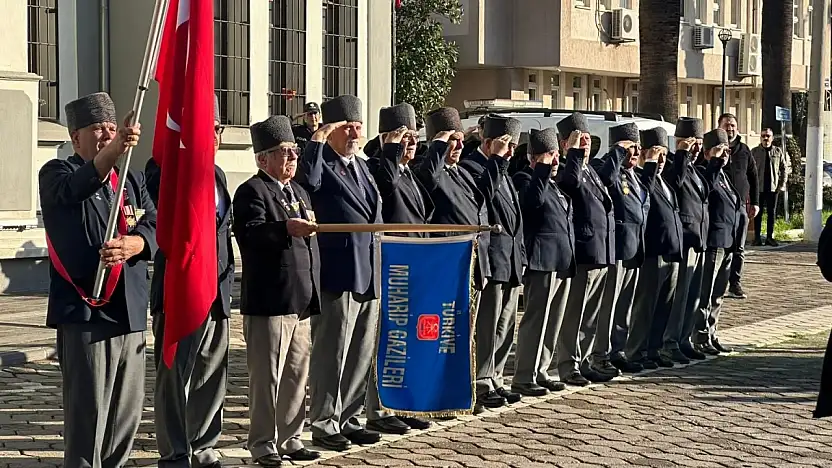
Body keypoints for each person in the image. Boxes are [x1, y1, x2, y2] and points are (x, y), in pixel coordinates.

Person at [297, 95, 422, 451]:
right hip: (338, 271)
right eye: (346, 126)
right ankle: (324, 421)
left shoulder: (363, 167)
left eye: (357, 126)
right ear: (331, 130)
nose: (353, 132)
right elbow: (309, 182)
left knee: (360, 351)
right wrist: (316, 142)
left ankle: (350, 417)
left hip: (370, 269)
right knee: (331, 352)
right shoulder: (322, 164)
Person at [39, 92, 156, 468]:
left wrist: (137, 242)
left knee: (127, 416)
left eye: (111, 128)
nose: (107, 134)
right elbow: (78, 189)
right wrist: (115, 149)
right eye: (97, 129)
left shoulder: (131, 180)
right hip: (86, 316)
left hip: (130, 312)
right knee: (88, 416)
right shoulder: (58, 173)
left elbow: (153, 222)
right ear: (76, 138)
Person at [146, 96, 234, 468]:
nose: (211, 135)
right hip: (179, 292)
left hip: (216, 291)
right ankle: (174, 449)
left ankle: (204, 443)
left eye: (215, 129)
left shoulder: (218, 174)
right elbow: (161, 201)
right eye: (203, 128)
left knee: (212, 372)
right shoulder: (162, 168)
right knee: (174, 374)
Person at [233, 115, 325, 466]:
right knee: (267, 377)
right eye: (284, 152)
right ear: (263, 159)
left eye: (294, 151)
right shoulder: (252, 191)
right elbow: (251, 234)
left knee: (296, 375)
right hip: (271, 300)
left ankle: (291, 438)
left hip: (301, 299)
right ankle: (262, 443)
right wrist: (285, 227)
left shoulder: (298, 191)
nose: (292, 158)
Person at [459, 115, 526, 409]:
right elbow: (482, 198)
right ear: (488, 144)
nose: (511, 153)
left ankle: (495, 375)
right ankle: (481, 380)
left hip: (509, 258)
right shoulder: (474, 168)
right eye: (505, 146)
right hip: (491, 257)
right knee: (487, 325)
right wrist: (495, 161)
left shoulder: (504, 170)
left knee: (505, 324)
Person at [510, 128, 573, 396]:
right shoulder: (527, 178)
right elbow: (532, 203)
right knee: (536, 320)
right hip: (541, 260)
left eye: (557, 154)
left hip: (560, 259)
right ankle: (524, 375)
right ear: (534, 158)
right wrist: (541, 170)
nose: (556, 160)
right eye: (550, 155)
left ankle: (541, 370)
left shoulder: (554, 184)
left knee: (553, 321)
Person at [555, 113, 616, 387]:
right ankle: (569, 364)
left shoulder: (591, 169)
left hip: (600, 250)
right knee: (575, 312)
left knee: (591, 313)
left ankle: (588, 358)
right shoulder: (569, 167)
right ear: (564, 143)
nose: (586, 145)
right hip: (582, 251)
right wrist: (574, 154)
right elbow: (570, 186)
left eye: (588, 140)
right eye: (579, 140)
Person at [587, 123, 650, 380]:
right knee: (610, 306)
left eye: (637, 148)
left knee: (624, 304)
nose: (635, 153)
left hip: (634, 247)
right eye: (630, 148)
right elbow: (606, 181)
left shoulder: (635, 174)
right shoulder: (607, 166)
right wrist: (617, 154)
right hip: (618, 248)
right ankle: (600, 354)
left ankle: (617, 350)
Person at [627, 127, 683, 369]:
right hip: (651, 251)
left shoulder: (664, 179)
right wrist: (649, 164)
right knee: (646, 306)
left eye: (663, 154)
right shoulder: (641, 175)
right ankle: (637, 350)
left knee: (664, 305)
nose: (660, 160)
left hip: (669, 250)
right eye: (654, 153)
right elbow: (644, 193)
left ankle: (655, 348)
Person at [662, 117, 709, 362]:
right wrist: (680, 155)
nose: (697, 147)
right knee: (678, 297)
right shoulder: (674, 163)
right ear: (681, 142)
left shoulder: (694, 166)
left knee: (692, 295)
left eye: (700, 142)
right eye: (693, 142)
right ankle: (670, 342)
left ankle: (684, 338)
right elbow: (674, 183)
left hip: (698, 238)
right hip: (684, 237)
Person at [693, 128, 743, 356]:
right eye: (717, 150)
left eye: (725, 150)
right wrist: (714, 163)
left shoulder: (724, 174)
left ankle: (712, 332)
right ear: (706, 152)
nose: (723, 154)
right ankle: (700, 335)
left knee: (718, 293)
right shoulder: (705, 171)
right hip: (714, 241)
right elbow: (705, 191)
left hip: (729, 241)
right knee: (705, 292)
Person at [368, 103, 433, 235]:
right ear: (387, 139)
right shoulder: (374, 168)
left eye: (415, 137)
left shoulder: (410, 171)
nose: (414, 143)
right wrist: (391, 148)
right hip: (397, 247)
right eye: (406, 137)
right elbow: (387, 183)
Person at [718, 113, 758, 299]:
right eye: (726, 125)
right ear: (720, 127)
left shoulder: (744, 150)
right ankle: (718, 282)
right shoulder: (714, 150)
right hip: (720, 209)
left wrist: (755, 202)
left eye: (733, 125)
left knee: (739, 249)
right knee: (723, 248)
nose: (730, 129)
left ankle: (735, 283)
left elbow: (753, 176)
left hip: (740, 207)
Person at [751, 128, 789, 246]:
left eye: (768, 136)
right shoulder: (754, 152)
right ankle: (757, 238)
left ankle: (769, 237)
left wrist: (781, 185)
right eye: (763, 136)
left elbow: (784, 169)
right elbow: (749, 170)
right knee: (758, 213)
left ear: (772, 138)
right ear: (760, 137)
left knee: (771, 213)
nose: (765, 138)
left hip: (773, 188)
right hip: (758, 187)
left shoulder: (778, 152)